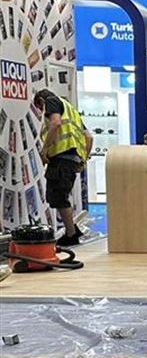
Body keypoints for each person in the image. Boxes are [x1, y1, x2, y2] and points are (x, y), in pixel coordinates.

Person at [32, 88, 92, 246]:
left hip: (61, 158)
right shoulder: (71, 110)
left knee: (57, 197)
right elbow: (89, 136)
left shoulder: (51, 101)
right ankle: (73, 229)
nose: (42, 113)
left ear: (41, 101)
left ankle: (71, 234)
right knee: (61, 195)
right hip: (72, 159)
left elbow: (56, 123)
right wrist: (82, 160)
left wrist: (44, 150)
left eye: (40, 108)